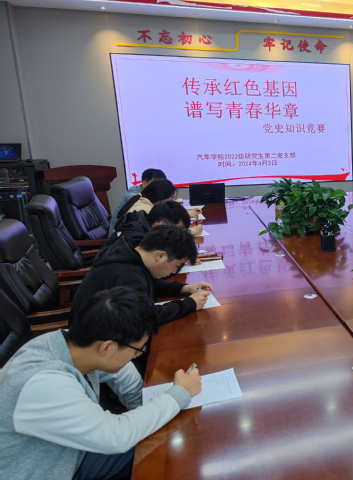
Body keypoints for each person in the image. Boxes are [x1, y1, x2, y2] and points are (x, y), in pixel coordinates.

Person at [0, 287, 201, 480]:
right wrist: (179, 393)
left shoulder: (71, 343)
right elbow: (116, 437)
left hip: (67, 447)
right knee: (163, 445)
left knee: (159, 428)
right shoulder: (44, 384)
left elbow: (123, 372)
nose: (135, 356)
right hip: (51, 467)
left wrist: (144, 405)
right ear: (106, 347)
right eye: (137, 350)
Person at [71, 224, 212, 328]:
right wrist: (190, 304)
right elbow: (146, 317)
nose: (175, 270)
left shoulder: (130, 254)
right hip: (97, 342)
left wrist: (184, 288)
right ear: (160, 256)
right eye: (177, 265)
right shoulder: (127, 273)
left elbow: (149, 283)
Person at [103, 200, 193, 251]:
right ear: (160, 224)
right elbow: (155, 269)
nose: (178, 236)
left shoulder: (144, 222)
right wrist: (180, 260)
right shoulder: (137, 238)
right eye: (177, 231)